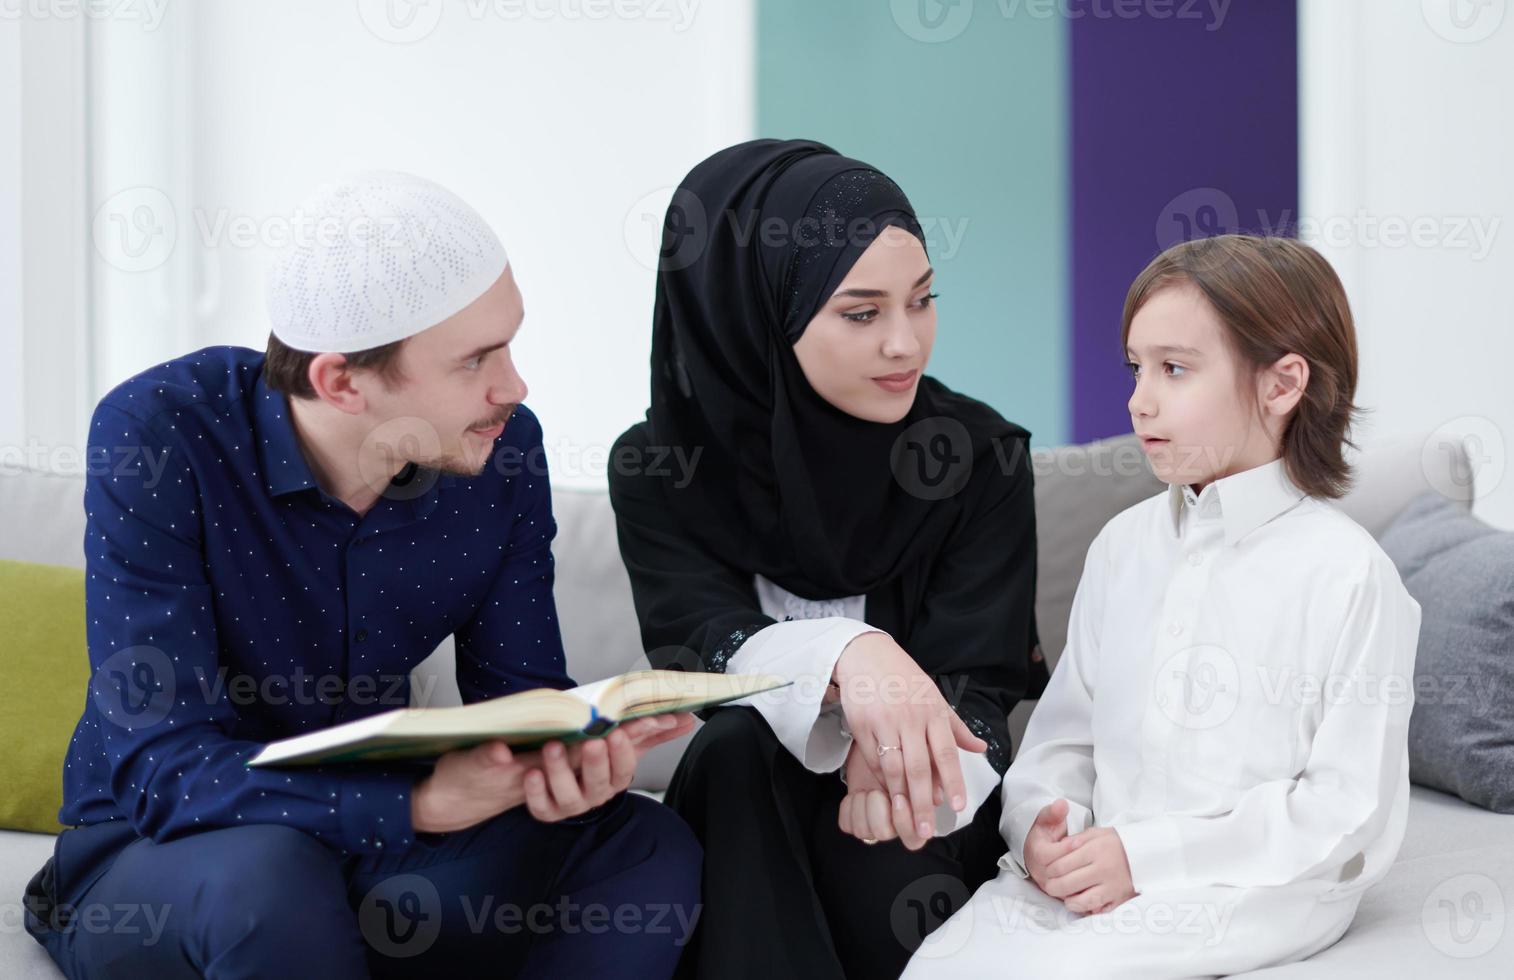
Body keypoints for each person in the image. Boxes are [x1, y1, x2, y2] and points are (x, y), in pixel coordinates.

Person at [23, 171, 701, 979]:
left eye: (509, 342)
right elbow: (159, 767)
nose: (513, 387)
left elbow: (518, 698)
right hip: (170, 854)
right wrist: (413, 803)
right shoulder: (161, 433)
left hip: (385, 852)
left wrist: (563, 762)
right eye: (475, 360)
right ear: (340, 380)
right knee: (271, 884)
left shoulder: (503, 452)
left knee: (640, 847)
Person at [903, 235, 1422, 979]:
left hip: (1250, 888)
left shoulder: (1349, 575)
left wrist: (1145, 857)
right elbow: (1061, 742)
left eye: (1175, 369)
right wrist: (1041, 831)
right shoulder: (1122, 547)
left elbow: (1348, 813)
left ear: (1282, 385)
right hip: (1091, 873)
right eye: (1137, 368)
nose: (1138, 400)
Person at [608, 139, 1047, 978]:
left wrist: (894, 758)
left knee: (879, 840)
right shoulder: (663, 467)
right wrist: (854, 654)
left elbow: (979, 680)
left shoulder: (978, 457)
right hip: (748, 798)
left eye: (923, 301)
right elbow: (698, 646)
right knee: (737, 747)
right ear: (756, 313)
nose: (905, 344)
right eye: (861, 312)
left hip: (932, 789)